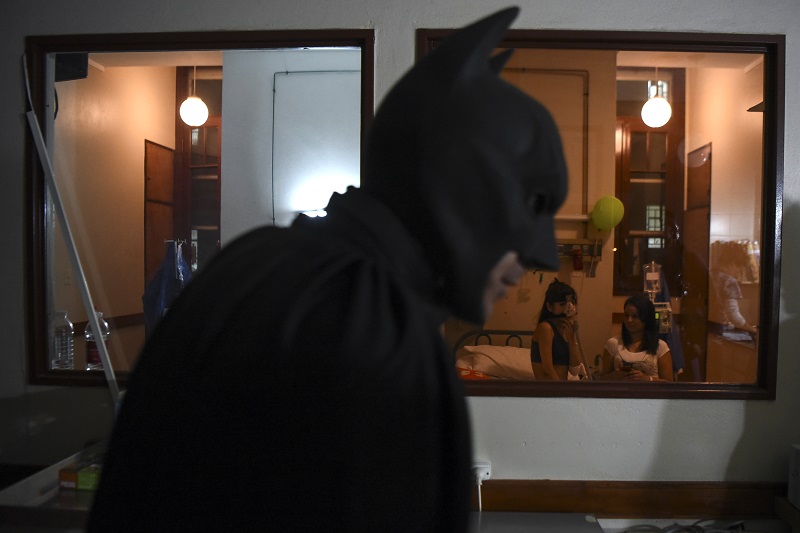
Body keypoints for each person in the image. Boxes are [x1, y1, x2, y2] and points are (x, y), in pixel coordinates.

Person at [86, 7, 568, 532]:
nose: (542, 255)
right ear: (461, 183)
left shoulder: (255, 258)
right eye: (533, 201)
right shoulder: (376, 329)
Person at [600, 293, 674, 382]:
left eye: (635, 316)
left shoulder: (660, 346)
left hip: (649, 395)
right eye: (626, 315)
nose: (629, 320)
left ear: (646, 318)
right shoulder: (613, 343)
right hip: (621, 394)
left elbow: (669, 383)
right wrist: (615, 376)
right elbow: (602, 380)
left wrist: (647, 379)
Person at [530, 279, 586, 380]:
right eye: (562, 304)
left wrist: (571, 340)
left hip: (559, 389)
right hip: (548, 391)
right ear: (550, 307)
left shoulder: (565, 331)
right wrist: (562, 390)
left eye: (572, 303)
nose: (569, 308)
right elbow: (548, 369)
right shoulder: (545, 328)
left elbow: (575, 370)